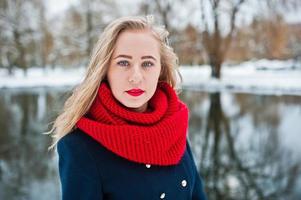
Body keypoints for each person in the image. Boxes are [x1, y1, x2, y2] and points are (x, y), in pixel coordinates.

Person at [49, 15, 207, 200]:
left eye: (147, 63)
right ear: (105, 69)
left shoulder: (174, 124)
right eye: (123, 63)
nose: (136, 77)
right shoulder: (79, 146)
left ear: (161, 70)